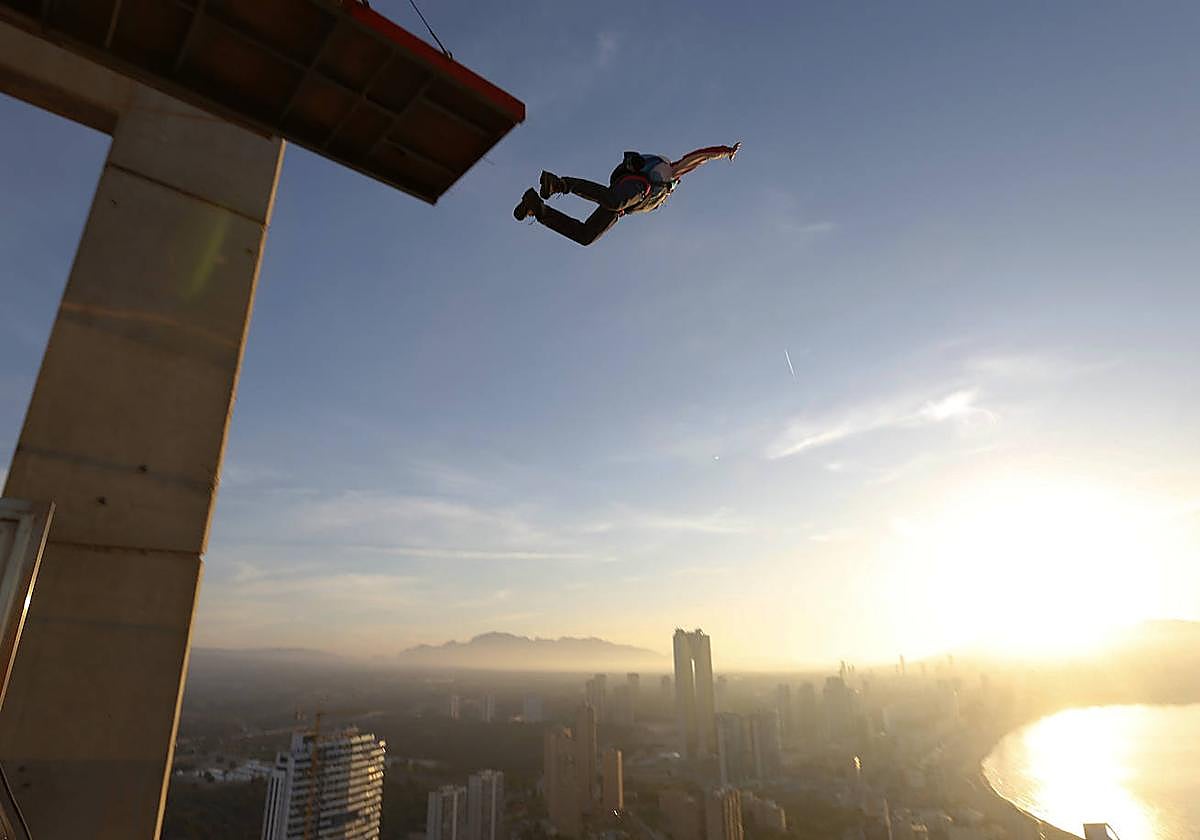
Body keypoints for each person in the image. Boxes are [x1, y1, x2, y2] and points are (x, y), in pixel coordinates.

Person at [513, 142, 742, 246]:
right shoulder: (672, 171)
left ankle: (537, 208)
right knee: (615, 200)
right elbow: (698, 157)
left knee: (586, 236)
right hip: (636, 185)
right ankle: (559, 184)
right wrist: (725, 152)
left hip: (622, 207)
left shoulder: (659, 196)